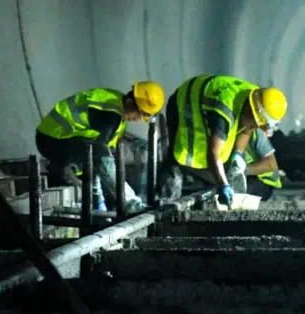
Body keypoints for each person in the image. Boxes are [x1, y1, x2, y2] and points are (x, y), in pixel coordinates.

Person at [159, 74, 287, 208]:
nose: (255, 128)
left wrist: (238, 154)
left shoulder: (255, 98)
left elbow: (246, 129)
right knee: (179, 151)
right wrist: (223, 185)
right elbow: (214, 153)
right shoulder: (224, 112)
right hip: (185, 101)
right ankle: (169, 188)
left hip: (208, 100)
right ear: (250, 111)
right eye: (255, 123)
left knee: (213, 166)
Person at [35, 81, 165, 213]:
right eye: (139, 114)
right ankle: (131, 204)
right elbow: (102, 158)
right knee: (100, 156)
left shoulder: (116, 108)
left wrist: (99, 202)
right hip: (52, 139)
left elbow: (100, 161)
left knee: (99, 158)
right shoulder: (111, 114)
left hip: (61, 139)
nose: (138, 119)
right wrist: (131, 202)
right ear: (131, 103)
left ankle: (96, 203)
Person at [235, 128, 283, 200]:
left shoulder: (255, 131)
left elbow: (270, 164)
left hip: (262, 181)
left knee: (235, 192)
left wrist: (240, 170)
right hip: (242, 176)